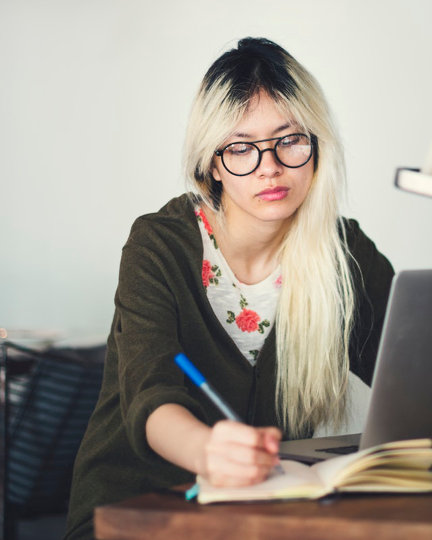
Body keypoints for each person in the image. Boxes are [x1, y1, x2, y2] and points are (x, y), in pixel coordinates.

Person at [64, 37, 394, 540]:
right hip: (137, 512)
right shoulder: (159, 244)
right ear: (213, 163)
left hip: (258, 516)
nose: (270, 165)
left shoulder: (345, 252)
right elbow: (152, 396)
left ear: (316, 145)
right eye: (240, 147)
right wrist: (206, 451)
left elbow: (413, 371)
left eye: (290, 139)